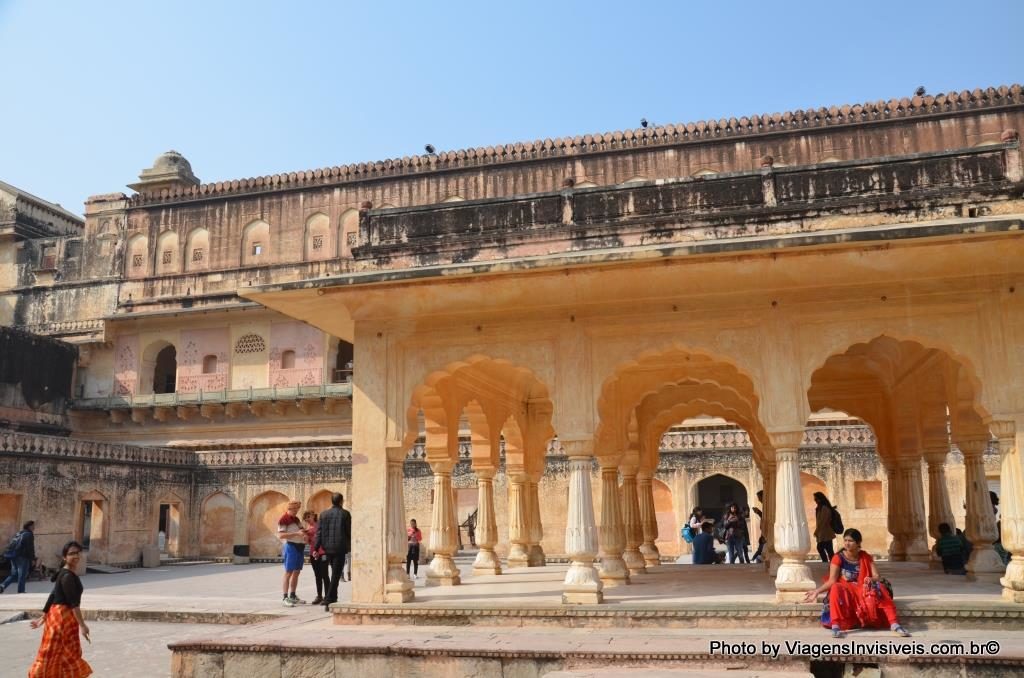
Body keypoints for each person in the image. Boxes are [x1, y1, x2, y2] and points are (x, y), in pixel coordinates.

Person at [804, 528, 910, 639]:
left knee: (880, 587)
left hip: (862, 589)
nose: (847, 543)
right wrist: (817, 591)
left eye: (850, 541)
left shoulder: (865, 557)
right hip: (846, 590)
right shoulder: (838, 558)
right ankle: (836, 625)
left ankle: (894, 623)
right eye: (845, 540)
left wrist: (871, 579)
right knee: (835, 587)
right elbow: (832, 580)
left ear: (858, 543)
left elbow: (876, 576)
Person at [28, 540, 92, 678]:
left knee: (63, 651)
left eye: (77, 553)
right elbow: (74, 604)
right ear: (64, 557)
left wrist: (44, 616)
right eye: (71, 554)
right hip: (62, 617)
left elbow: (53, 594)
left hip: (58, 616)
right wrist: (83, 625)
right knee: (55, 651)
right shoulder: (67, 576)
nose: (75, 556)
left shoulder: (65, 572)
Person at [314, 492, 352, 611]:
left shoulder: (324, 514)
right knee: (336, 575)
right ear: (341, 501)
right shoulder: (345, 514)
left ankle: (333, 598)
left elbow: (319, 532)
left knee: (333, 574)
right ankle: (328, 599)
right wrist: (350, 545)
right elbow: (348, 531)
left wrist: (316, 547)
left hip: (326, 548)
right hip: (340, 548)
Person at [277, 500, 306, 606]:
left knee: (297, 572)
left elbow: (301, 530)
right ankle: (285, 597)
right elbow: (281, 535)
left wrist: (305, 534)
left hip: (300, 547)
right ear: (290, 508)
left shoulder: (296, 519)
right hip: (291, 546)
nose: (297, 510)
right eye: (295, 508)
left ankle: (293, 595)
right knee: (288, 572)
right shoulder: (284, 519)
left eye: (298, 508)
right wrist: (296, 533)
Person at [1, 519, 36, 594]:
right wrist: (32, 559)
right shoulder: (29, 534)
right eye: (33, 526)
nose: (34, 527)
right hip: (23, 556)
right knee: (22, 574)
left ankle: (2, 585)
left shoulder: (19, 533)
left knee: (14, 574)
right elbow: (30, 547)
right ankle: (21, 590)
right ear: (29, 526)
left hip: (14, 555)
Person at [303, 511, 328, 605]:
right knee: (317, 575)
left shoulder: (319, 525)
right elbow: (309, 542)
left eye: (309, 517)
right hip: (313, 553)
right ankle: (319, 596)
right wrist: (306, 536)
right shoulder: (308, 528)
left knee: (324, 575)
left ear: (313, 516)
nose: (307, 520)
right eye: (306, 518)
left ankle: (328, 596)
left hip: (322, 553)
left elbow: (321, 538)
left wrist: (310, 533)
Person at [812, 492, 837, 563]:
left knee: (821, 548)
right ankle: (830, 563)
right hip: (823, 533)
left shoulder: (825, 508)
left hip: (826, 533)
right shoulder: (820, 508)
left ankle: (828, 562)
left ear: (820, 499)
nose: (815, 501)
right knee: (829, 550)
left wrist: (816, 532)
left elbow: (822, 522)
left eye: (816, 499)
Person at [751, 491, 767, 562]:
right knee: (761, 547)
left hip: (767, 531)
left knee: (761, 548)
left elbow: (767, 518)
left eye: (760, 497)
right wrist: (758, 512)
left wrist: (758, 512)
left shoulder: (768, 506)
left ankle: (755, 559)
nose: (759, 499)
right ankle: (754, 558)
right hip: (764, 530)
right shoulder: (765, 506)